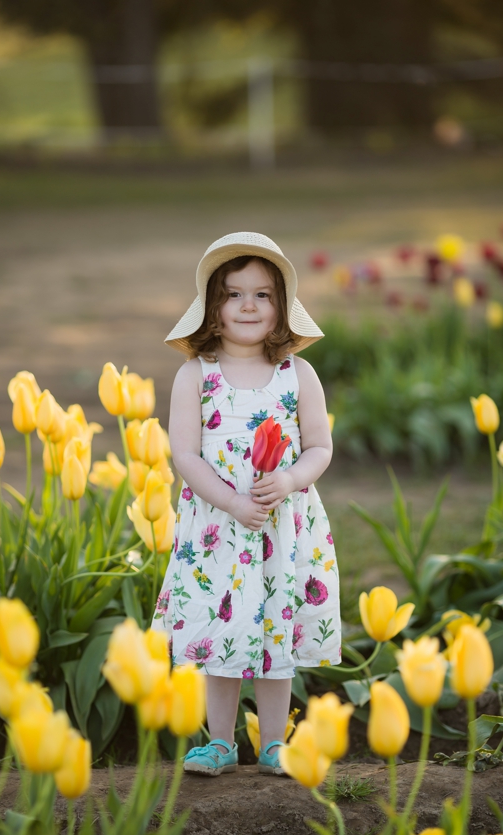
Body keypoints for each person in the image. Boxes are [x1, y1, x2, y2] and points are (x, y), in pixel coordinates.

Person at [155, 232, 339, 774]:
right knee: (224, 625)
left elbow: (320, 446)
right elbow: (186, 455)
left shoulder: (297, 374)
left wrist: (289, 479)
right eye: (234, 295)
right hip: (220, 524)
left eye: (262, 295)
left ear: (281, 306)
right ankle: (221, 742)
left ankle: (275, 742)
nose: (248, 306)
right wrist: (232, 503)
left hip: (282, 525)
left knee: (276, 624)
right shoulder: (196, 375)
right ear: (212, 308)